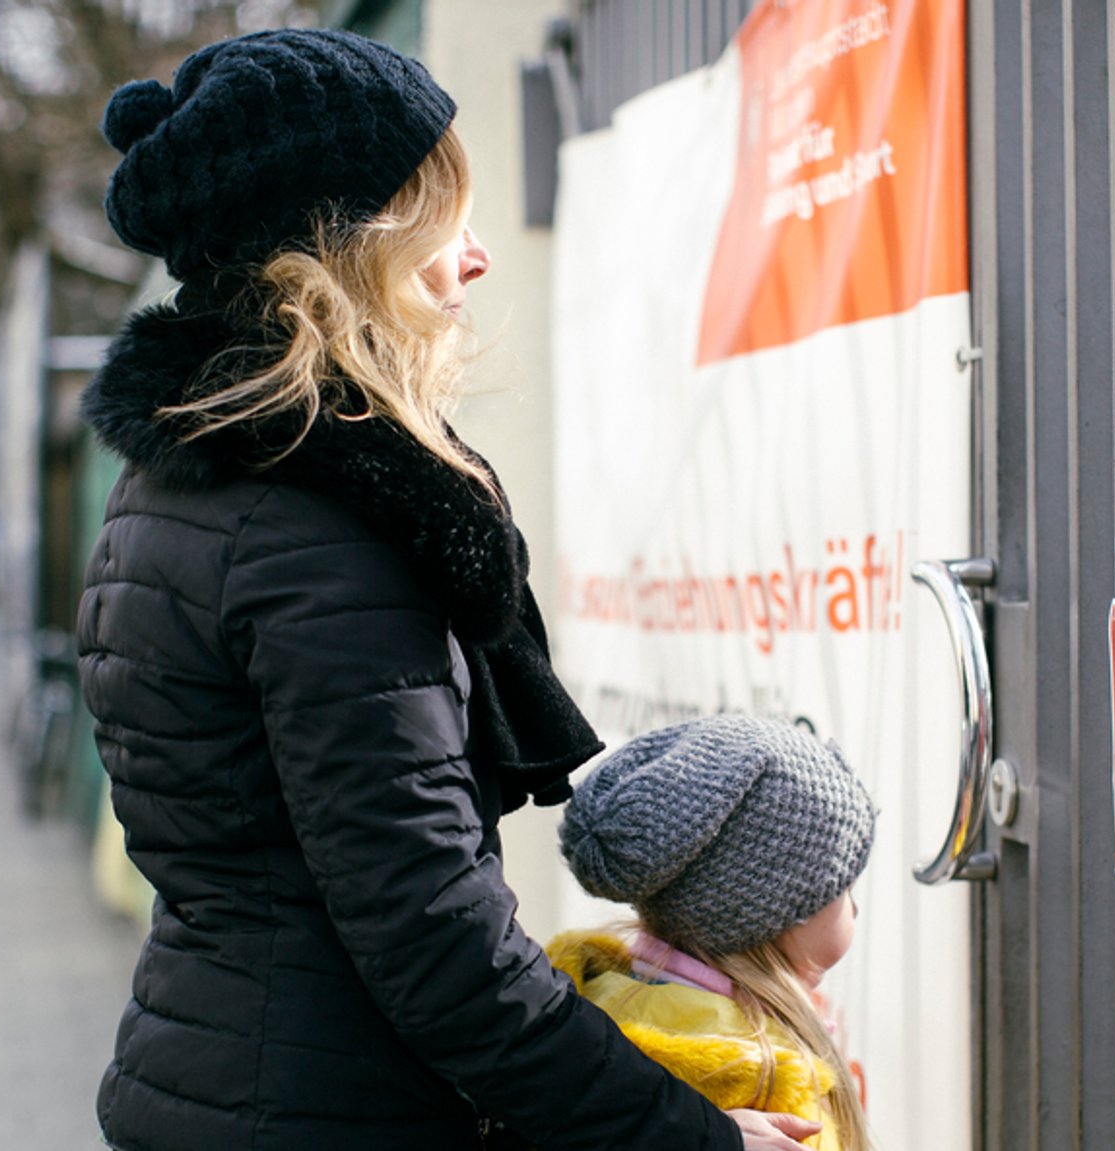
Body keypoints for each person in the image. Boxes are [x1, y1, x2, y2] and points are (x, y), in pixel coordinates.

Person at [77, 29, 817, 1151]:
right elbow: (431, 939)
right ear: (338, 241)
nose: (472, 256)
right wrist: (683, 1135)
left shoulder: (188, 476)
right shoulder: (318, 527)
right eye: (440, 215)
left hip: (231, 1077)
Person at [550, 714, 879, 1151]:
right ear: (777, 911)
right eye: (844, 886)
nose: (854, 905)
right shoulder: (767, 1084)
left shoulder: (587, 1013)